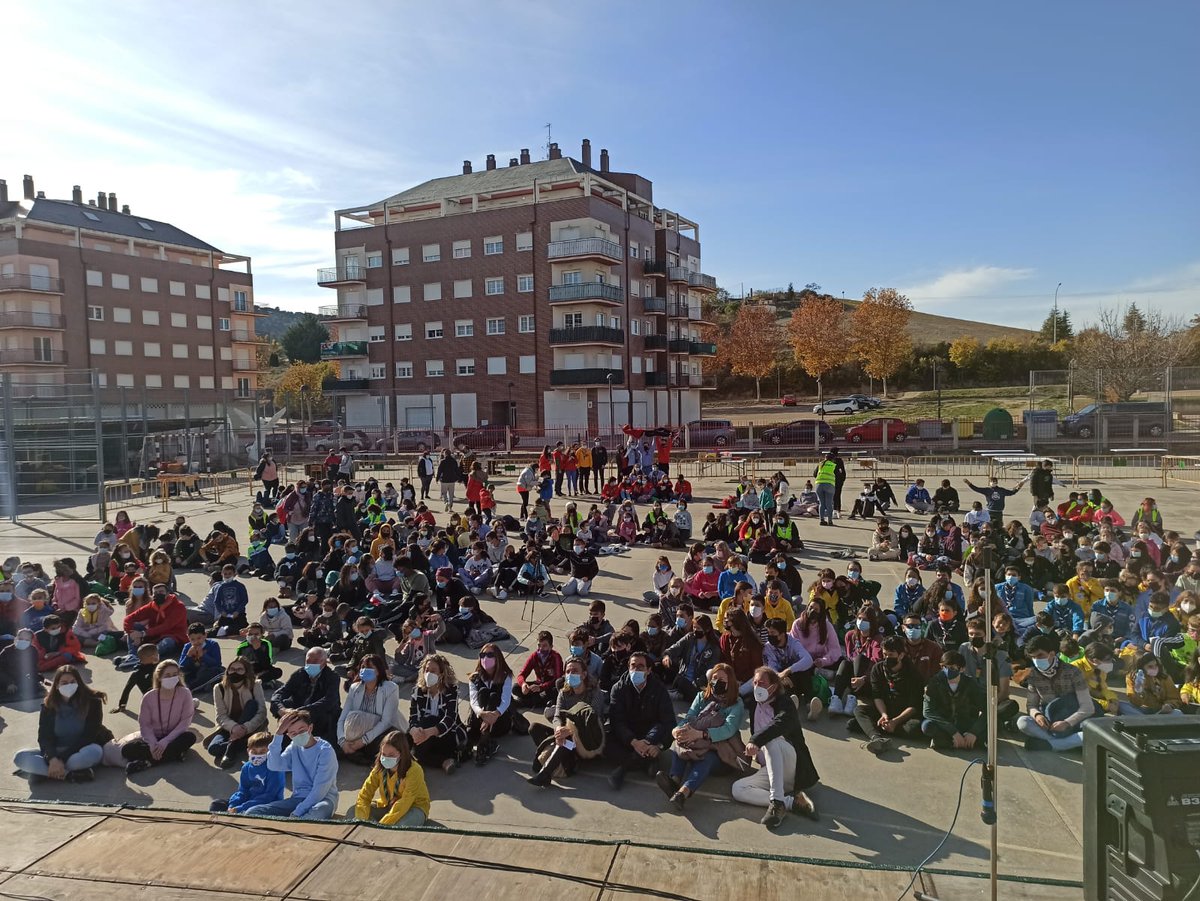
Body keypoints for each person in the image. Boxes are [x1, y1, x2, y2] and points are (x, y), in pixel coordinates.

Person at [731, 666, 820, 829]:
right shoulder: (754, 704)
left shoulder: (785, 703)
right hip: (773, 772)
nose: (758, 687)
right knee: (738, 789)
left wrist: (756, 740)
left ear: (773, 686)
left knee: (770, 740)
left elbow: (780, 724)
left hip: (792, 766)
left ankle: (777, 803)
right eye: (755, 682)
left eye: (762, 683)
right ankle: (791, 802)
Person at [657, 662, 747, 812]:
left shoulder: (736, 704)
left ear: (730, 683)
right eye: (714, 678)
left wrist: (701, 734)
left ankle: (683, 793)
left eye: (722, 680)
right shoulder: (702, 696)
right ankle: (674, 781)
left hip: (722, 751)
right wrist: (677, 730)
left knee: (707, 759)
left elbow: (729, 729)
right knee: (680, 742)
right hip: (698, 744)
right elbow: (689, 717)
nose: (716, 682)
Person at [13, 665, 111, 782]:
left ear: (78, 683)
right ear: (57, 686)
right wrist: (53, 759)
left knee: (94, 753)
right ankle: (69, 775)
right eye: (64, 683)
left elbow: (89, 736)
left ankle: (45, 771)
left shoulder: (92, 702)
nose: (69, 685)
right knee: (20, 757)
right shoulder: (48, 706)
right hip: (56, 750)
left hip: (81, 750)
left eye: (72, 682)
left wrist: (61, 759)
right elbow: (44, 737)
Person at [243, 710, 339, 820]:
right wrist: (278, 734)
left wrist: (298, 812)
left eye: (302, 730)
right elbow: (274, 765)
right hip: (297, 799)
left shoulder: (325, 751)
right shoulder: (294, 747)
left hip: (323, 800)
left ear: (310, 728)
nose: (298, 735)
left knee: (315, 814)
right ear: (289, 736)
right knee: (253, 812)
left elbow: (319, 790)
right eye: (293, 733)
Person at [527, 656, 606, 787]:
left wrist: (568, 731)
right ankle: (564, 757)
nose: (570, 674)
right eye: (568, 671)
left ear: (584, 674)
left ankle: (545, 773)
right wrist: (558, 730)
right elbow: (557, 716)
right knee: (534, 728)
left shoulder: (595, 693)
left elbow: (592, 720)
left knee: (567, 737)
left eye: (575, 671)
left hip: (589, 737)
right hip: (567, 736)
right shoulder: (564, 693)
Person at [606, 651, 676, 790]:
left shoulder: (659, 690)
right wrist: (633, 741)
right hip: (628, 735)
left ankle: (624, 769)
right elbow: (616, 720)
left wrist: (659, 746)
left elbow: (669, 722)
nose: (636, 670)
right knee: (605, 740)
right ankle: (647, 762)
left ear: (648, 670)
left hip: (649, 735)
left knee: (660, 729)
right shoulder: (618, 688)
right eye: (633, 666)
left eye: (640, 666)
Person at [1016, 633, 1095, 751]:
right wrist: (1037, 715)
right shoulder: (1033, 675)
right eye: (1033, 657)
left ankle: (1052, 745)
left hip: (1074, 720)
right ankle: (1063, 744)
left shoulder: (1073, 672)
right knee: (1023, 722)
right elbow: (1032, 705)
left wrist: (1067, 723)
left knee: (1091, 735)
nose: (1036, 660)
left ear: (1052, 654)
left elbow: (1088, 708)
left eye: (1040, 655)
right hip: (1049, 719)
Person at [121, 659, 198, 775]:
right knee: (127, 749)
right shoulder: (149, 697)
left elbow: (185, 722)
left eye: (174, 675)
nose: (171, 678)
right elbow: (144, 724)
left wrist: (165, 741)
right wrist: (152, 744)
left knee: (190, 737)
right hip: (154, 738)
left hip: (174, 737)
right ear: (159, 677)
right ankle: (173, 755)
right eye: (167, 675)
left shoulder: (185, 693)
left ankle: (149, 762)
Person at [854, 637, 925, 755]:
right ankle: (877, 737)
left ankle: (880, 728)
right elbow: (877, 695)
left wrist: (895, 722)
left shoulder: (913, 674)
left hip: (903, 714)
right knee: (859, 710)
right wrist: (884, 715)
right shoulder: (878, 669)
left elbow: (914, 706)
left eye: (891, 655)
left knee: (915, 728)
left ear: (901, 655)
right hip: (885, 708)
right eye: (885, 654)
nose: (887, 658)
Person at [337, 654, 406, 764]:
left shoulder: (390, 688)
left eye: (370, 668)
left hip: (382, 730)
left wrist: (363, 741)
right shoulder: (355, 688)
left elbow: (386, 722)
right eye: (363, 667)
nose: (365, 670)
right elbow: (343, 717)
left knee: (385, 744)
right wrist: (342, 741)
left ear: (378, 671)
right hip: (358, 731)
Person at [353, 730, 430, 826]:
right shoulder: (379, 767)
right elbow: (365, 794)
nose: (386, 758)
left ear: (402, 754)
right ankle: (372, 830)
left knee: (398, 827)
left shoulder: (414, 770)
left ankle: (377, 831)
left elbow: (405, 802)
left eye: (391, 755)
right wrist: (362, 820)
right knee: (354, 812)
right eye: (383, 754)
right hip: (387, 805)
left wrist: (382, 825)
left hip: (413, 807)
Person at [409, 654, 469, 775]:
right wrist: (414, 730)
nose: (428, 674)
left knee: (428, 722)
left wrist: (428, 732)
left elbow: (450, 719)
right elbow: (413, 718)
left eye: (433, 671)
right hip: (424, 736)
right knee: (405, 736)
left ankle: (413, 760)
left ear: (441, 674)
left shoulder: (451, 691)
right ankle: (444, 762)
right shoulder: (418, 691)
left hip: (447, 735)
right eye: (426, 670)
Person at [270, 647, 342, 743]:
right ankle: (286, 737)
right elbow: (281, 692)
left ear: (324, 663)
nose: (311, 664)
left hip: (317, 715)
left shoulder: (332, 677)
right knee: (284, 704)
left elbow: (329, 701)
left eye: (315, 661)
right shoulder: (299, 674)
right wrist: (281, 710)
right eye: (308, 661)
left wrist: (300, 712)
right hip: (298, 713)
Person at [206, 658, 268, 768]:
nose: (235, 672)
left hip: (251, 725)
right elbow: (220, 715)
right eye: (232, 669)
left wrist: (244, 728)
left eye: (240, 669)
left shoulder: (255, 685)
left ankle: (231, 748)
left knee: (252, 704)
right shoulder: (219, 688)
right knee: (213, 749)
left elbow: (262, 713)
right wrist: (234, 727)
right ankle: (241, 744)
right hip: (228, 727)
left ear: (246, 671)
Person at [921, 651, 986, 750]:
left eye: (952, 668)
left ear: (962, 669)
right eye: (944, 667)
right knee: (927, 726)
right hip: (944, 724)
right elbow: (928, 711)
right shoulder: (934, 682)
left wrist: (974, 732)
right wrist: (953, 732)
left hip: (965, 724)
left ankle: (947, 742)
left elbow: (986, 709)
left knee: (991, 729)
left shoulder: (970, 684)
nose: (947, 671)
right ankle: (960, 742)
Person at [210, 731, 285, 814]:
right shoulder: (246, 767)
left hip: (268, 803)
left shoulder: (274, 768)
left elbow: (269, 796)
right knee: (217, 804)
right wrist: (232, 805)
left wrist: (241, 808)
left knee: (251, 812)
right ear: (248, 751)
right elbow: (243, 791)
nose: (258, 755)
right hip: (248, 801)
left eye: (262, 751)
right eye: (254, 752)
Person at [467, 643, 516, 765]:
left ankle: (483, 744)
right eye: (482, 655)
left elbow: (505, 700)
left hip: (498, 722)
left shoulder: (505, 676)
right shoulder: (474, 678)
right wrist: (482, 714)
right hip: (479, 720)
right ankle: (486, 740)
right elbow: (473, 700)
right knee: (483, 692)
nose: (485, 659)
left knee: (494, 695)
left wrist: (495, 714)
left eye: (489, 655)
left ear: (497, 658)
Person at [663, 614, 722, 701]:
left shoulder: (714, 647)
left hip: (699, 682)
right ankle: (684, 694)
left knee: (696, 691)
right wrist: (667, 656)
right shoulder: (689, 638)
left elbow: (712, 669)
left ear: (707, 629)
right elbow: (673, 649)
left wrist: (698, 682)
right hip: (683, 676)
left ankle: (684, 695)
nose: (695, 630)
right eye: (694, 627)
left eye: (698, 628)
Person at [516, 631, 564, 708]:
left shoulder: (556, 657)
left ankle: (527, 702)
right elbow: (522, 674)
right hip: (538, 685)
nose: (541, 648)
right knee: (515, 688)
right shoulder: (534, 656)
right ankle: (535, 702)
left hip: (549, 687)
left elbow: (557, 679)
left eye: (544, 646)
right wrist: (523, 684)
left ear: (551, 646)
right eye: (539, 645)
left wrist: (541, 687)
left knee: (555, 691)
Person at [812, 452, 838, 526]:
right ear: (832, 459)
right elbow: (838, 475)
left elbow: (814, 474)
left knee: (821, 503)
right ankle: (830, 521)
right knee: (829, 503)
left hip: (819, 485)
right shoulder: (833, 465)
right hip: (829, 485)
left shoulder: (820, 464)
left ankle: (822, 520)